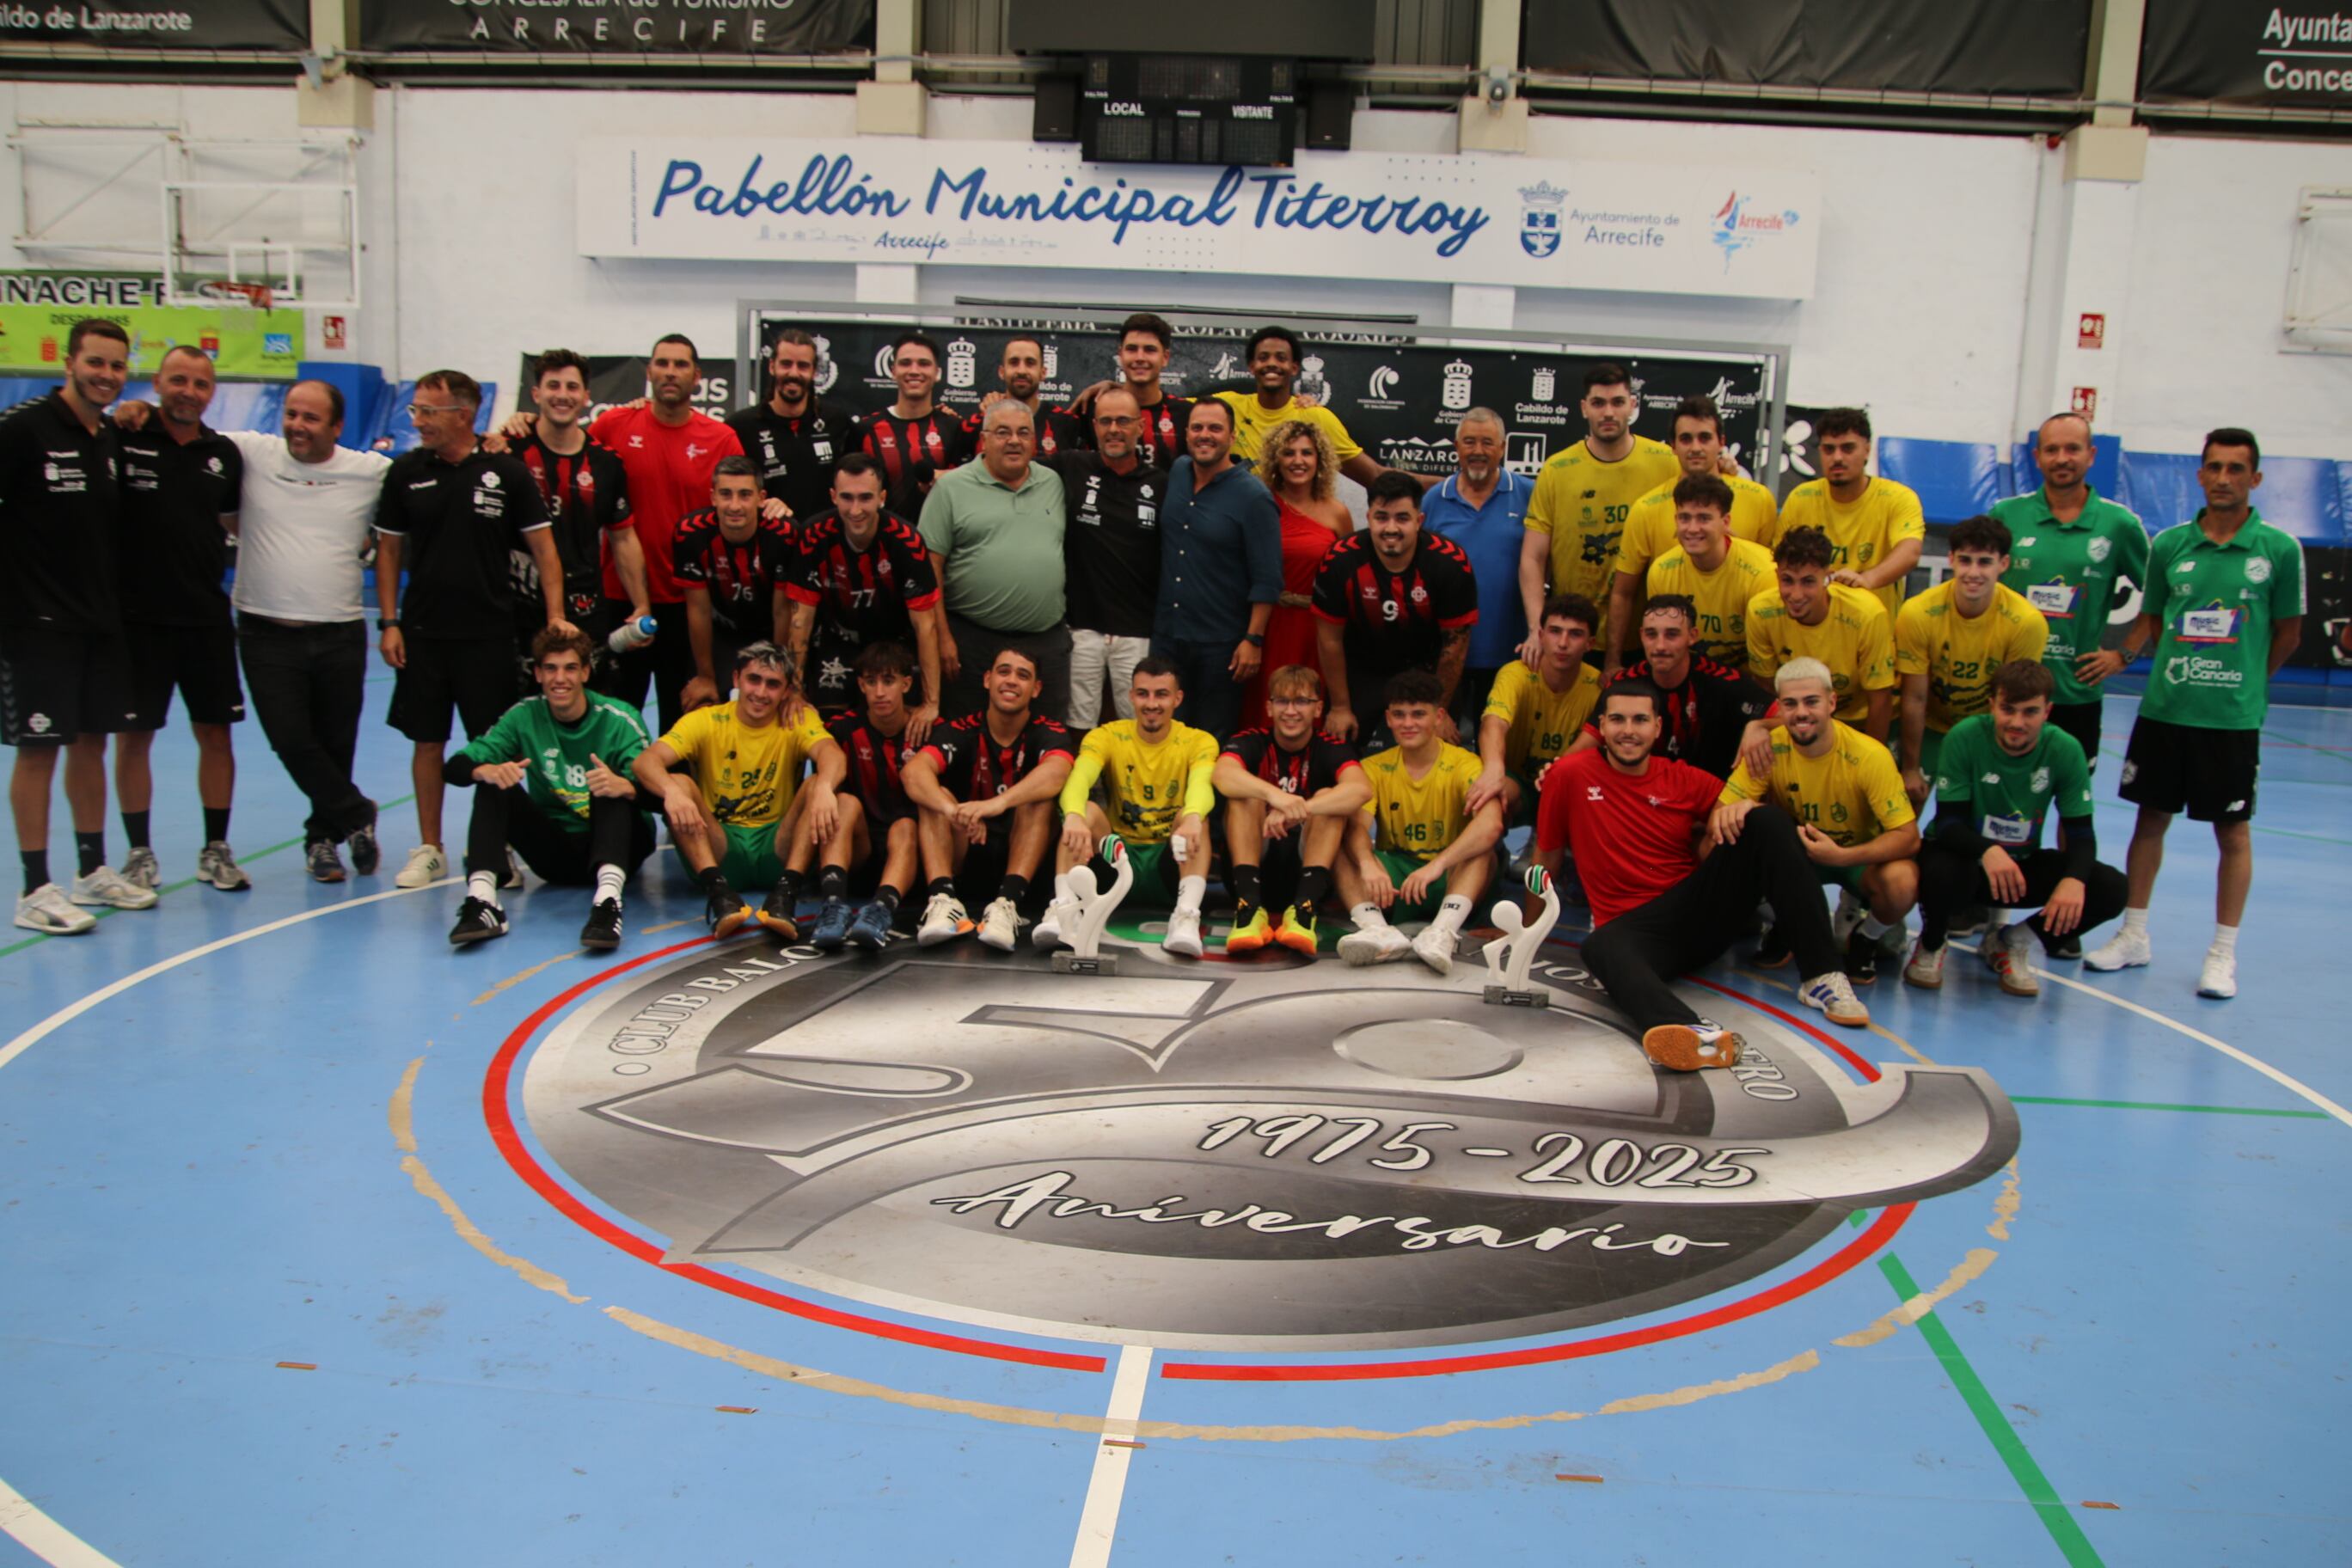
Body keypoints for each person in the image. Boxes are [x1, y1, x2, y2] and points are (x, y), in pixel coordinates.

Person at [1537, 681, 1870, 1072]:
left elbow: (1749, 819)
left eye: (1640, 720)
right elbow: (1547, 855)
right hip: (1635, 932)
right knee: (1598, 947)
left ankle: (1823, 976)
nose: (1629, 730)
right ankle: (1692, 1034)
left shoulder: (1683, 778)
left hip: (1698, 910)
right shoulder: (1569, 775)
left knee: (1764, 820)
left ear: (1658, 728)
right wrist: (1524, 931)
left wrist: (1738, 804)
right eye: (1618, 720)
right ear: (1602, 727)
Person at [2086, 427, 2304, 1000]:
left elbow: (2288, 634)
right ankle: (2134, 934)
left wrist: (2248, 684)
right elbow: (2153, 620)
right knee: (2148, 820)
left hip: (2230, 720)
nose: (2224, 479)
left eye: (2236, 469)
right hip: (2166, 710)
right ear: (2200, 474)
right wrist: (2126, 654)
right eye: (2214, 467)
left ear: (2255, 479)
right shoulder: (2171, 545)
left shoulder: (2278, 550)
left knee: (2232, 831)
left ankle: (2222, 952)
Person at [376, 370, 569, 891]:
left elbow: (545, 550)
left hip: (489, 634)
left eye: (427, 412)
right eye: (415, 410)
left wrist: (554, 617)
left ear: (463, 414)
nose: (417, 421)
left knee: (496, 746)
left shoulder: (504, 471)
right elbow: (389, 551)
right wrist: (389, 621)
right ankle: (430, 847)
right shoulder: (405, 472)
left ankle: (495, 847)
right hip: (422, 633)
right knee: (427, 741)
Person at [509, 334, 745, 736]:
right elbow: (564, 438)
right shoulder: (614, 424)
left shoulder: (720, 438)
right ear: (649, 371)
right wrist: (523, 423)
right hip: (619, 601)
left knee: (683, 721)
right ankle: (615, 797)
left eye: (681, 364)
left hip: (688, 604)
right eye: (663, 363)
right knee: (613, 714)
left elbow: (747, 500)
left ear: (698, 376)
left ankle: (676, 798)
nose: (671, 372)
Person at [3, 319, 150, 933]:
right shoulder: (23, 430)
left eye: (116, 366)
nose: (106, 376)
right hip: (36, 624)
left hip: (99, 622)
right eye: (95, 363)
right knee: (40, 752)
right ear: (69, 362)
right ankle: (35, 889)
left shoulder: (109, 435)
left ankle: (93, 870)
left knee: (92, 742)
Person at [213, 380, 389, 883]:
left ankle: (321, 841)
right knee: (290, 739)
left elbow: (427, 474)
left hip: (339, 631)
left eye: (311, 418)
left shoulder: (369, 471)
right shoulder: (251, 452)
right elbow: (190, 435)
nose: (297, 426)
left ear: (337, 426)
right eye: (291, 414)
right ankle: (357, 813)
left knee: (335, 744)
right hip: (266, 632)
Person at [112, 345, 250, 894]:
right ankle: (139, 853)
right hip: (137, 620)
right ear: (157, 383)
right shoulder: (125, 436)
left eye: (199, 383)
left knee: (216, 733)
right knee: (135, 737)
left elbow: (233, 520)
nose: (188, 391)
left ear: (211, 392)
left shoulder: (223, 454)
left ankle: (216, 848)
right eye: (178, 380)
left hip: (205, 619)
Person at [1906, 659, 2128, 997]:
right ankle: (1933, 942)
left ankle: (2012, 942)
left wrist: (2074, 880)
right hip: (1967, 861)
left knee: (2111, 887)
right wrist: (1988, 850)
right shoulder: (1965, 737)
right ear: (1992, 704)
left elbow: (2082, 835)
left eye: (2030, 712)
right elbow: (1949, 823)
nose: (2017, 722)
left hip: (2019, 869)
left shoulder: (2065, 750)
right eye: (2008, 709)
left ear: (2047, 711)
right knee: (1940, 869)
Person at [441, 626, 656, 951]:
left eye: (570, 668)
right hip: (556, 855)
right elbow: (455, 766)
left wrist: (625, 786)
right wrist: (486, 770)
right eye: (551, 669)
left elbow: (658, 794)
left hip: (623, 847)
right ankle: (483, 902)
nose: (560, 679)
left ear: (585, 672)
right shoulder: (524, 716)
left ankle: (608, 905)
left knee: (606, 783)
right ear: (538, 674)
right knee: (493, 780)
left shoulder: (619, 719)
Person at [1716, 659, 1920, 984]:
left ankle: (1865, 938)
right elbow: (1720, 812)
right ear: (1779, 707)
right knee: (1713, 845)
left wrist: (1842, 856)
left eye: (1811, 701)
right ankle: (1786, 920)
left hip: (1855, 857)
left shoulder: (1869, 756)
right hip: (1796, 858)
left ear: (1832, 702)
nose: (1801, 713)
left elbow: (1908, 837)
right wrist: (1738, 810)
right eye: (1790, 703)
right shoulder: (1767, 747)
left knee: (1902, 882)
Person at [631, 641, 849, 941]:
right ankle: (720, 895)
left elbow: (833, 754)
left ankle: (785, 895)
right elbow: (646, 761)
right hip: (722, 846)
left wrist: (825, 785)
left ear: (787, 692)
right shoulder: (706, 720)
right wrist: (671, 791)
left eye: (773, 685)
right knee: (680, 785)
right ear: (736, 679)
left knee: (817, 785)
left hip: (777, 848)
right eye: (753, 680)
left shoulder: (796, 719)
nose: (760, 693)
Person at [1989, 411, 2149, 769]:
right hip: (2008, 695)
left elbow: (2162, 598)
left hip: (2076, 693)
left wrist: (2124, 653)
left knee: (2072, 803)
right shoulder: (2006, 515)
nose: (2062, 459)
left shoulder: (2119, 525)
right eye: (2052, 449)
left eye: (2072, 449)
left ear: (2091, 455)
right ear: (2037, 458)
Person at [1043, 657, 1219, 958]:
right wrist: (1072, 815)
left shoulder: (1198, 741)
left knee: (1194, 818)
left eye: (1161, 694)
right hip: (1118, 860)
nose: (1152, 703)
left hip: (1169, 862)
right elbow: (1079, 778)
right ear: (1131, 696)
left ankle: (1185, 917)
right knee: (1081, 811)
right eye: (1143, 694)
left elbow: (1202, 786)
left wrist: (1192, 816)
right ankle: (1064, 913)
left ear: (1177, 698)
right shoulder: (1107, 735)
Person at [904, 646, 1075, 950]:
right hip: (966, 848)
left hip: (1022, 858)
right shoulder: (959, 728)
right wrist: (954, 810)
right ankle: (944, 901)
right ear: (987, 680)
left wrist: (996, 804)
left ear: (1035, 690)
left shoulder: (1049, 731)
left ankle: (1007, 906)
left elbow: (1057, 772)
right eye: (1004, 671)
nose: (1011, 681)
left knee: (1040, 799)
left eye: (1022, 676)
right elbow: (913, 773)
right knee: (934, 796)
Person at [1333, 669, 1503, 975]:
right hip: (1397, 881)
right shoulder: (1373, 766)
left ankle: (1442, 933)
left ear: (1439, 717)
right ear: (1388, 718)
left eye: (1418, 714)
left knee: (1483, 850)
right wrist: (1368, 862)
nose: (1408, 724)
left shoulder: (1465, 763)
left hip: (1449, 878)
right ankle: (1376, 929)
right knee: (1339, 837)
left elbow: (1491, 824)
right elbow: (1358, 826)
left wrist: (1438, 864)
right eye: (1399, 715)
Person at [920, 400, 1070, 722]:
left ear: (1035, 440)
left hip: (1045, 641)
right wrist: (942, 638)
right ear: (984, 438)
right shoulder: (950, 487)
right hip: (972, 643)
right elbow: (929, 566)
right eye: (1003, 432)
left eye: (1023, 433)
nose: (1014, 441)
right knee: (966, 738)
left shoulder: (1052, 483)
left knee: (1050, 741)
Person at [1608, 393, 1778, 669]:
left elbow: (1769, 581)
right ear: (1672, 446)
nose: (1696, 447)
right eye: (1686, 439)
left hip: (1746, 664)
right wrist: (1612, 662)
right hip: (1677, 662)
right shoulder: (1647, 508)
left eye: (1705, 438)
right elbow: (1623, 593)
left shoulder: (1759, 500)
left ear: (1721, 442)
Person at [508, 348, 647, 684]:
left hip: (583, 608)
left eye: (572, 387)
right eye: (553, 386)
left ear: (586, 396)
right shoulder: (508, 452)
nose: (562, 395)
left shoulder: (606, 463)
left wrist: (642, 604)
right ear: (536, 393)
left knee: (583, 714)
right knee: (517, 717)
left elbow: (623, 537)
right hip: (516, 609)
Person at [1520, 363, 1679, 655]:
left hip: (1646, 640)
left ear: (1632, 405)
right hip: (1574, 639)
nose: (1608, 413)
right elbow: (1533, 557)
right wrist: (1536, 629)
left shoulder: (1667, 462)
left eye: (1618, 402)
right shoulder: (1557, 469)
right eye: (1598, 403)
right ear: (1584, 408)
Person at [1314, 470, 1479, 747]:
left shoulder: (1450, 562)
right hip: (1362, 668)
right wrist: (1340, 707)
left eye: (1402, 518)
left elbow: (1455, 647)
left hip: (1426, 669)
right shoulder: (1339, 559)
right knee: (1336, 742)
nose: (1391, 528)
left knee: (1438, 744)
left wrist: (1440, 711)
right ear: (1368, 519)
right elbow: (1329, 639)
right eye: (1381, 517)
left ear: (1419, 521)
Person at [1213, 664, 1369, 956]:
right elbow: (1222, 775)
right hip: (1252, 868)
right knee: (1244, 795)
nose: (1291, 711)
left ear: (1318, 708)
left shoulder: (1331, 747)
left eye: (1301, 701)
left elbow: (1360, 790)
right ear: (1269, 708)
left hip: (1309, 876)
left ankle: (1303, 913)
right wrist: (1276, 795)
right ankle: (1248, 911)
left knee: (1330, 799)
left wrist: (1301, 808)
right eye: (1282, 701)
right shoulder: (1251, 740)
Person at [1896, 515, 2049, 804]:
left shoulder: (2026, 623)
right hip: (1930, 728)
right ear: (1951, 559)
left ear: (2003, 564)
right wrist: (1911, 768)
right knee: (1905, 812)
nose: (1973, 573)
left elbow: (2014, 704)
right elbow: (1915, 698)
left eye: (1984, 562)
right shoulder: (1917, 613)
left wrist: (1997, 764)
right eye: (1965, 561)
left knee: (1982, 819)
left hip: (1987, 731)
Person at [785, 452, 942, 732]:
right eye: (847, 498)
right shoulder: (813, 535)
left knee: (910, 723)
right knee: (826, 724)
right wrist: (794, 691)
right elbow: (800, 620)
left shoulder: (906, 540)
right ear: (833, 496)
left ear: (882, 497)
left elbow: (926, 627)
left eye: (865, 498)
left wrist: (931, 703)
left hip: (894, 642)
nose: (855, 509)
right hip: (838, 638)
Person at [1154, 396, 1281, 740]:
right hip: (1168, 636)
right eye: (1197, 428)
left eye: (1214, 428)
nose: (1204, 435)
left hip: (1221, 646)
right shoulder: (1179, 470)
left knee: (1212, 741)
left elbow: (1268, 578)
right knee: (1166, 737)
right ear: (1186, 433)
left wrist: (1253, 639)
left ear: (1232, 435)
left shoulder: (1253, 496)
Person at [1049, 386, 1161, 727]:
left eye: (1124, 421)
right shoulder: (1071, 464)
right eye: (1106, 421)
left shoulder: (1162, 482)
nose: (1114, 429)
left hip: (1138, 629)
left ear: (1140, 427)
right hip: (1083, 626)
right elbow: (1011, 468)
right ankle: (1081, 782)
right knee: (1078, 724)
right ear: (1094, 426)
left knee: (1139, 726)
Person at [1571, 596, 1773, 783]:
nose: (1660, 646)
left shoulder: (1725, 681)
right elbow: (1585, 746)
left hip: (1715, 802)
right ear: (1641, 636)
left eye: (1672, 635)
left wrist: (1760, 726)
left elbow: (1787, 717)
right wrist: (1556, 771)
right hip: (1646, 799)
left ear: (1692, 636)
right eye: (1651, 634)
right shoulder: (1622, 686)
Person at [1422, 407, 1534, 727]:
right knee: (1443, 750)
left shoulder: (1529, 494)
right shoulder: (1434, 500)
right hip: (1446, 655)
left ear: (1503, 448)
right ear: (1456, 447)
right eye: (1469, 442)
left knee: (1499, 751)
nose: (1478, 451)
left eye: (1487, 443)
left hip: (1509, 653)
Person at [1240, 415, 1352, 732]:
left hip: (1316, 631)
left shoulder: (1337, 512)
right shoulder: (1260, 505)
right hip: (1266, 624)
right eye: (1289, 453)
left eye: (1306, 453)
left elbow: (1346, 577)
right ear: (1276, 459)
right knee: (1265, 707)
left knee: (1307, 706)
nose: (1298, 461)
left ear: (1320, 460)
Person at [818, 640, 926, 952]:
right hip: (861, 853)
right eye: (871, 682)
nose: (880, 692)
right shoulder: (841, 730)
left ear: (906, 684)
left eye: (889, 681)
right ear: (861, 685)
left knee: (905, 825)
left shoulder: (930, 731)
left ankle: (880, 910)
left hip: (910, 856)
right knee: (843, 802)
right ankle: (833, 904)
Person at [1746, 525, 1896, 744]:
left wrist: (1872, 759)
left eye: (1808, 582)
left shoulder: (1867, 615)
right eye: (1787, 580)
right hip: (1797, 721)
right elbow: (1767, 689)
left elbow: (1880, 701)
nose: (1796, 595)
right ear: (1777, 575)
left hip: (1857, 723)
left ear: (1828, 577)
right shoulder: (1760, 612)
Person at [1773, 407, 1925, 621]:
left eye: (1848, 448)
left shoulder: (1898, 498)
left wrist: (1868, 580)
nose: (1837, 458)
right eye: (1829, 449)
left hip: (1873, 632)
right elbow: (1778, 561)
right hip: (1808, 630)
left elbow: (1910, 553)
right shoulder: (1800, 498)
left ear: (1867, 450)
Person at [1467, 593, 1602, 825]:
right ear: (1540, 635)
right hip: (1517, 783)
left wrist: (1557, 773)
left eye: (1576, 634)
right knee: (1487, 795)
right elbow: (1494, 724)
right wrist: (1493, 769)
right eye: (1555, 631)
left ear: (1590, 643)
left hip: (1567, 784)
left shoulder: (1598, 686)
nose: (1562, 643)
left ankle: (1556, 842)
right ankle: (1493, 852)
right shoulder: (1516, 673)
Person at [673, 456, 794, 713]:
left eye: (745, 495)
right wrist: (705, 676)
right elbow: (698, 610)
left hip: (769, 630)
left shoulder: (784, 535)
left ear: (761, 498)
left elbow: (783, 612)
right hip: (721, 631)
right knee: (701, 702)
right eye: (726, 494)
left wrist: (782, 672)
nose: (734, 506)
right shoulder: (690, 533)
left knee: (775, 702)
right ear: (713, 497)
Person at [1211, 324, 1385, 483]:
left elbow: (1374, 474)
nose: (1272, 363)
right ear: (1252, 366)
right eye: (1263, 358)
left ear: (1294, 368)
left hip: (1293, 516)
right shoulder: (1227, 407)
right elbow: (1183, 407)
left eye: (1281, 358)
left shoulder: (1315, 416)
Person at [1642, 474, 1775, 673]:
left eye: (1704, 518)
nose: (1692, 529)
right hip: (1691, 678)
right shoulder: (1661, 571)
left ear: (1726, 521)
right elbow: (1664, 648)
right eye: (1684, 518)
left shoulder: (1763, 572)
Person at [728, 327, 860, 522]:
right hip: (770, 540)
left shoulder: (837, 421)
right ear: (772, 366)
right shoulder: (740, 427)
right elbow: (730, 493)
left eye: (803, 366)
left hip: (824, 542)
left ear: (814, 371)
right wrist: (760, 503)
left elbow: (856, 482)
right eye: (786, 364)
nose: (794, 373)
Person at [858, 330, 973, 520]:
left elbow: (973, 487)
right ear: (893, 371)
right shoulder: (865, 430)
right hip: (885, 545)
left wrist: (951, 479)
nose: (914, 371)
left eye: (924, 364)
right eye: (905, 363)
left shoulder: (955, 428)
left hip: (939, 545)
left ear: (937, 373)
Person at [967, 334, 1083, 456]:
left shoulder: (1067, 423)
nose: (1021, 371)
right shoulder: (978, 424)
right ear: (1002, 372)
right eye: (1014, 362)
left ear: (1043, 373)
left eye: (1030, 363)